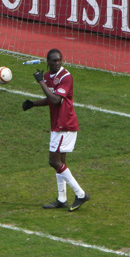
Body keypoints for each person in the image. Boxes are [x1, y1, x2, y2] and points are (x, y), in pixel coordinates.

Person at [21, 49, 88, 211]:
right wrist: (33, 104)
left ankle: (80, 194)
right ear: (48, 62)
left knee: (54, 161)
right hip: (57, 124)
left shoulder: (66, 77)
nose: (57, 63)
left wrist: (40, 83)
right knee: (60, 163)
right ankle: (61, 198)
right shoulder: (48, 77)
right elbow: (50, 99)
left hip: (65, 124)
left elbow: (56, 100)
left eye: (59, 60)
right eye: (54, 61)